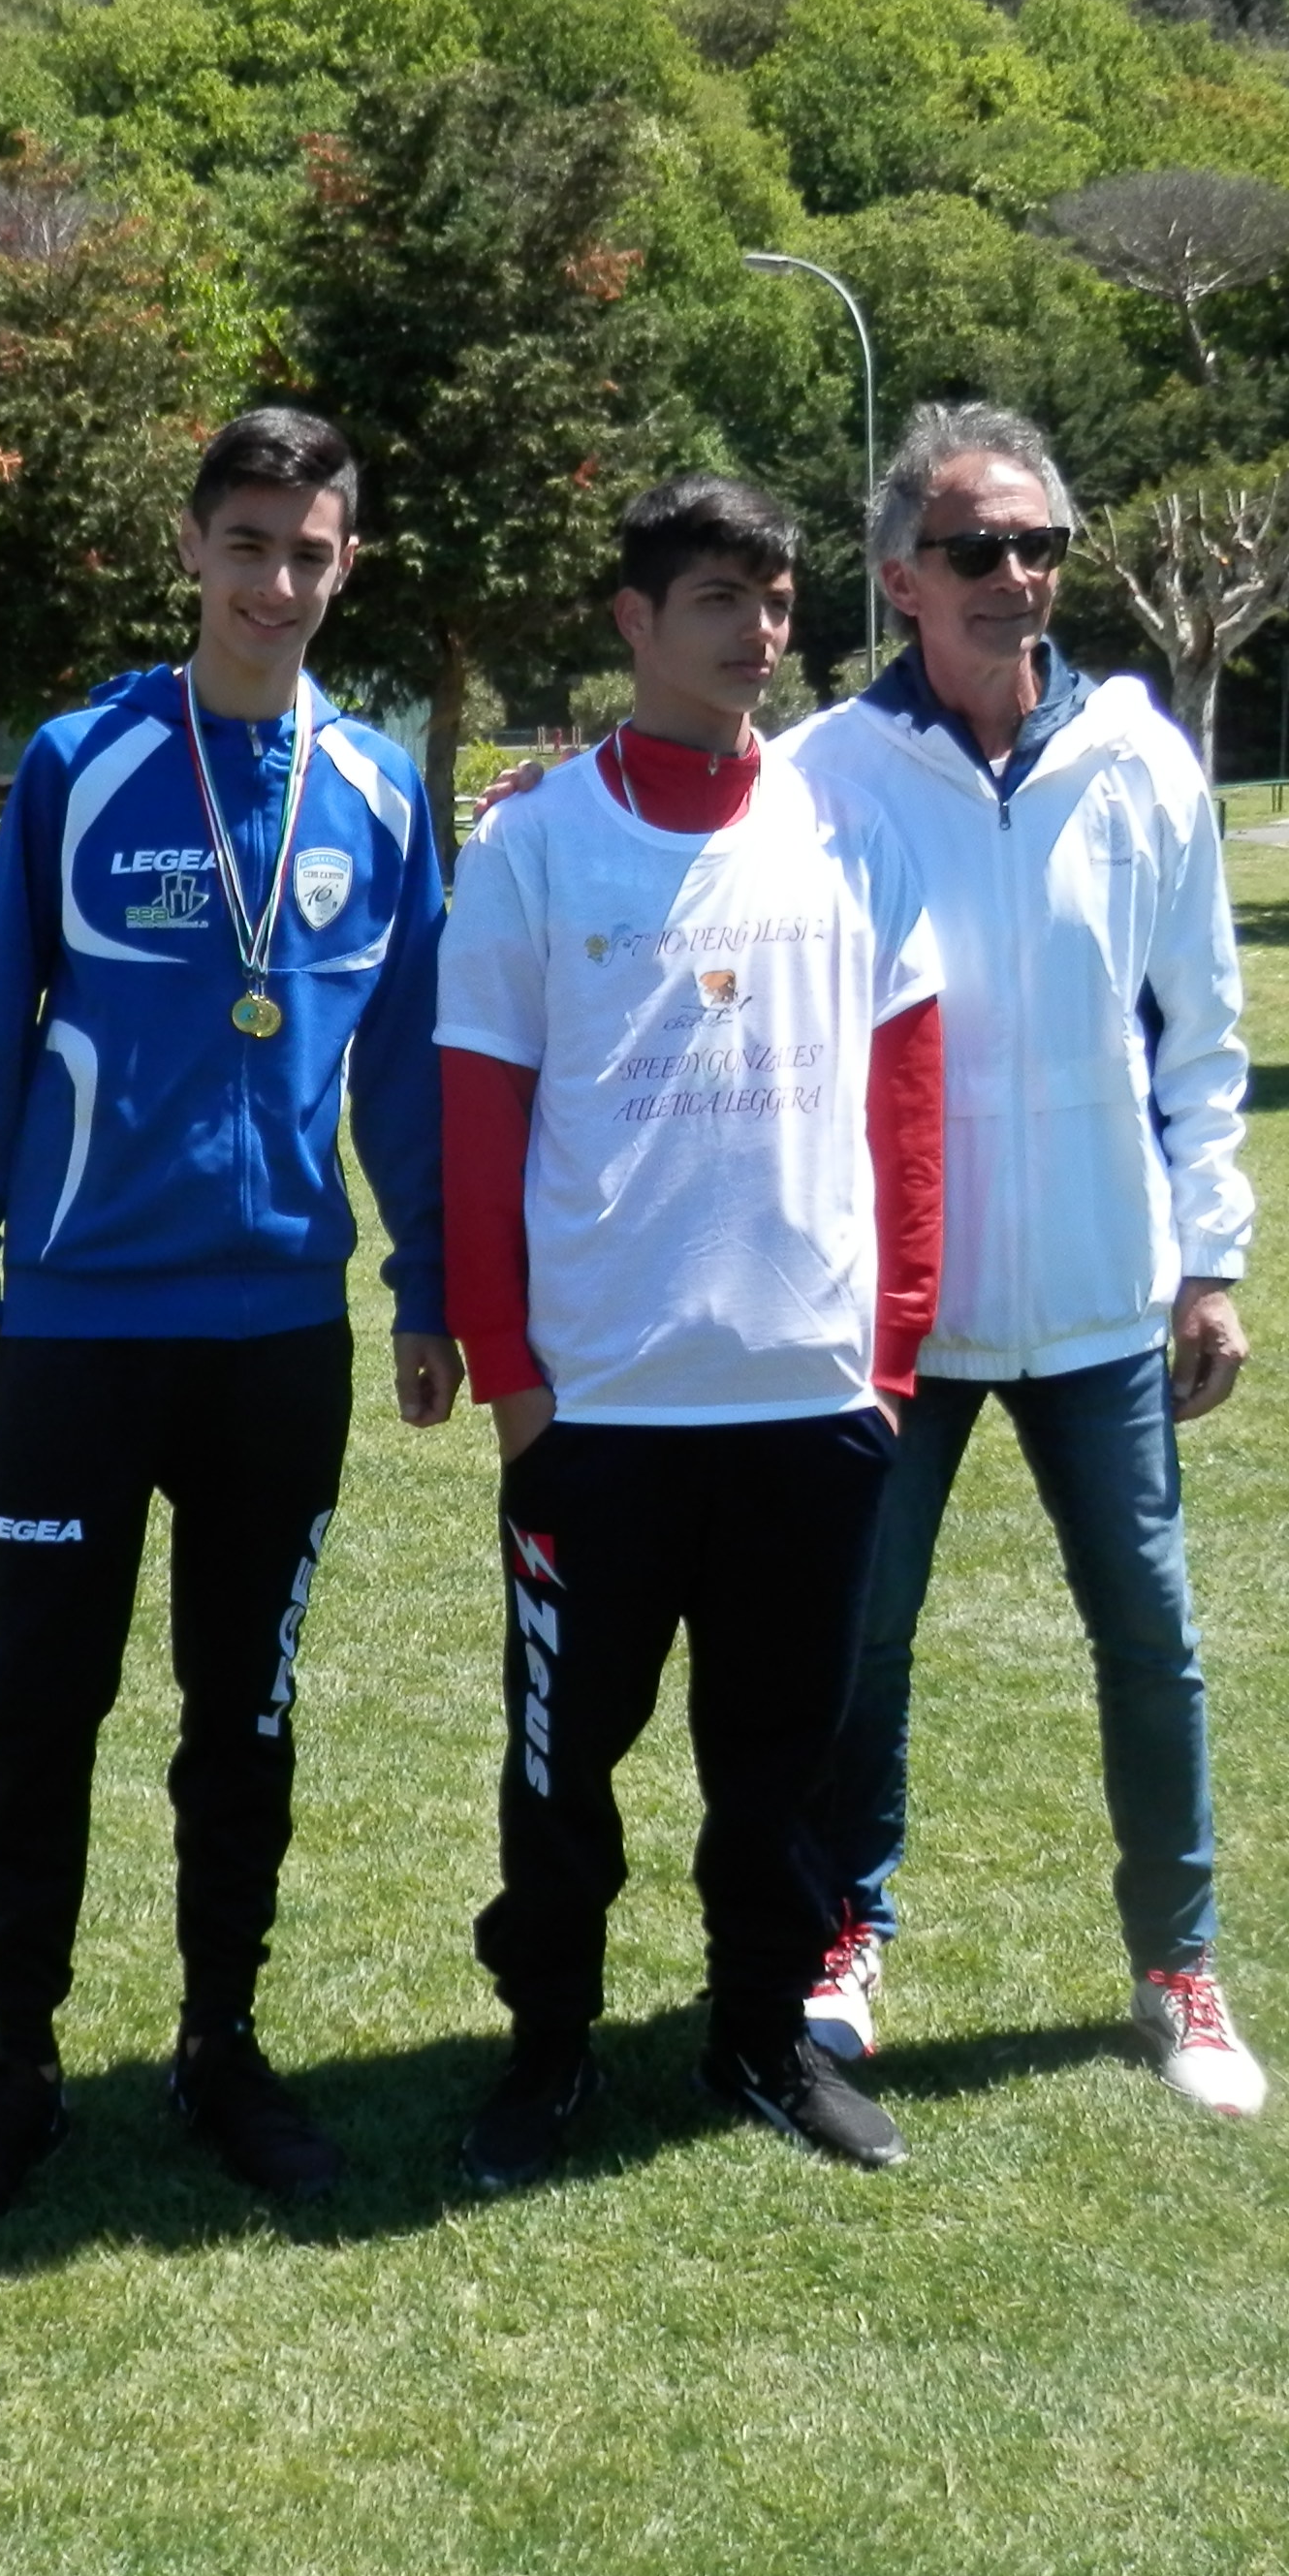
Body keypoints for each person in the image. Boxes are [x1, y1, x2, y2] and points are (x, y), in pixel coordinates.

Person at [0, 404, 453, 2236]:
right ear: (192, 549)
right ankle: (18, 2059)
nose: (274, 583)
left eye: (309, 552)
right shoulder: (83, 762)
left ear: (345, 563)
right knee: (37, 1703)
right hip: (73, 1330)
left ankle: (222, 2042)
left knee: (245, 1711)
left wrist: (429, 1278)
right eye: (246, 545)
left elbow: (404, 1066)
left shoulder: (377, 786)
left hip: (277, 1335)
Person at [440, 473, 941, 2189]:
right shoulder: (532, 845)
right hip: (599, 1413)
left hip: (809, 1405)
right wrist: (512, 1381)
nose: (758, 632)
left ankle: (759, 2038)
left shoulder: (851, 833)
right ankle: (547, 2051)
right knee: (561, 1772)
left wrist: (889, 1363)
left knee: (778, 1773)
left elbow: (908, 1114)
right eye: (719, 599)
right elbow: (479, 1127)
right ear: (635, 621)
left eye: (776, 600)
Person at [775, 402, 1270, 2123]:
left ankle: (1177, 1964)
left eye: (1038, 544)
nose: (1013, 575)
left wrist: (1209, 1255)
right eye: (975, 547)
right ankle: (842, 1941)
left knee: (1150, 1638)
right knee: (859, 1641)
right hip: (892, 1310)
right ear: (900, 575)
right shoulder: (820, 774)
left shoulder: (1138, 757)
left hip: (1102, 1296)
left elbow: (1201, 1028)